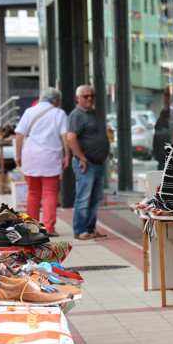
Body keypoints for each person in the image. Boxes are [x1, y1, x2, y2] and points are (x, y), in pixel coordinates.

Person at [13, 87, 69, 236]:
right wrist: (67, 155)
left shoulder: (29, 112)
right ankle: (49, 228)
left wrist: (18, 154)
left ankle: (32, 228)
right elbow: (65, 136)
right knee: (50, 193)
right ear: (56, 101)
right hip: (51, 157)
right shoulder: (59, 113)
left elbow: (19, 135)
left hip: (30, 157)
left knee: (32, 193)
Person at [67, 85, 110, 241]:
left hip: (97, 163)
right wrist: (82, 158)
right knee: (84, 198)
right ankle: (80, 230)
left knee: (96, 198)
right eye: (86, 96)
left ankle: (90, 228)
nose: (90, 98)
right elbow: (71, 138)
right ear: (78, 98)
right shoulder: (76, 115)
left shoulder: (92, 114)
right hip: (85, 163)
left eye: (92, 95)